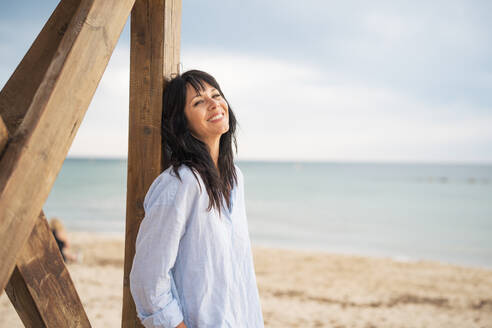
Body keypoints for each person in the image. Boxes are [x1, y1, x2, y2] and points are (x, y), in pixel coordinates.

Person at [129, 70, 264, 327]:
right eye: (198, 102)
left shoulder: (235, 177)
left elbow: (239, 272)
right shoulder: (179, 184)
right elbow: (148, 279)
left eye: (216, 94)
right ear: (181, 122)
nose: (214, 103)